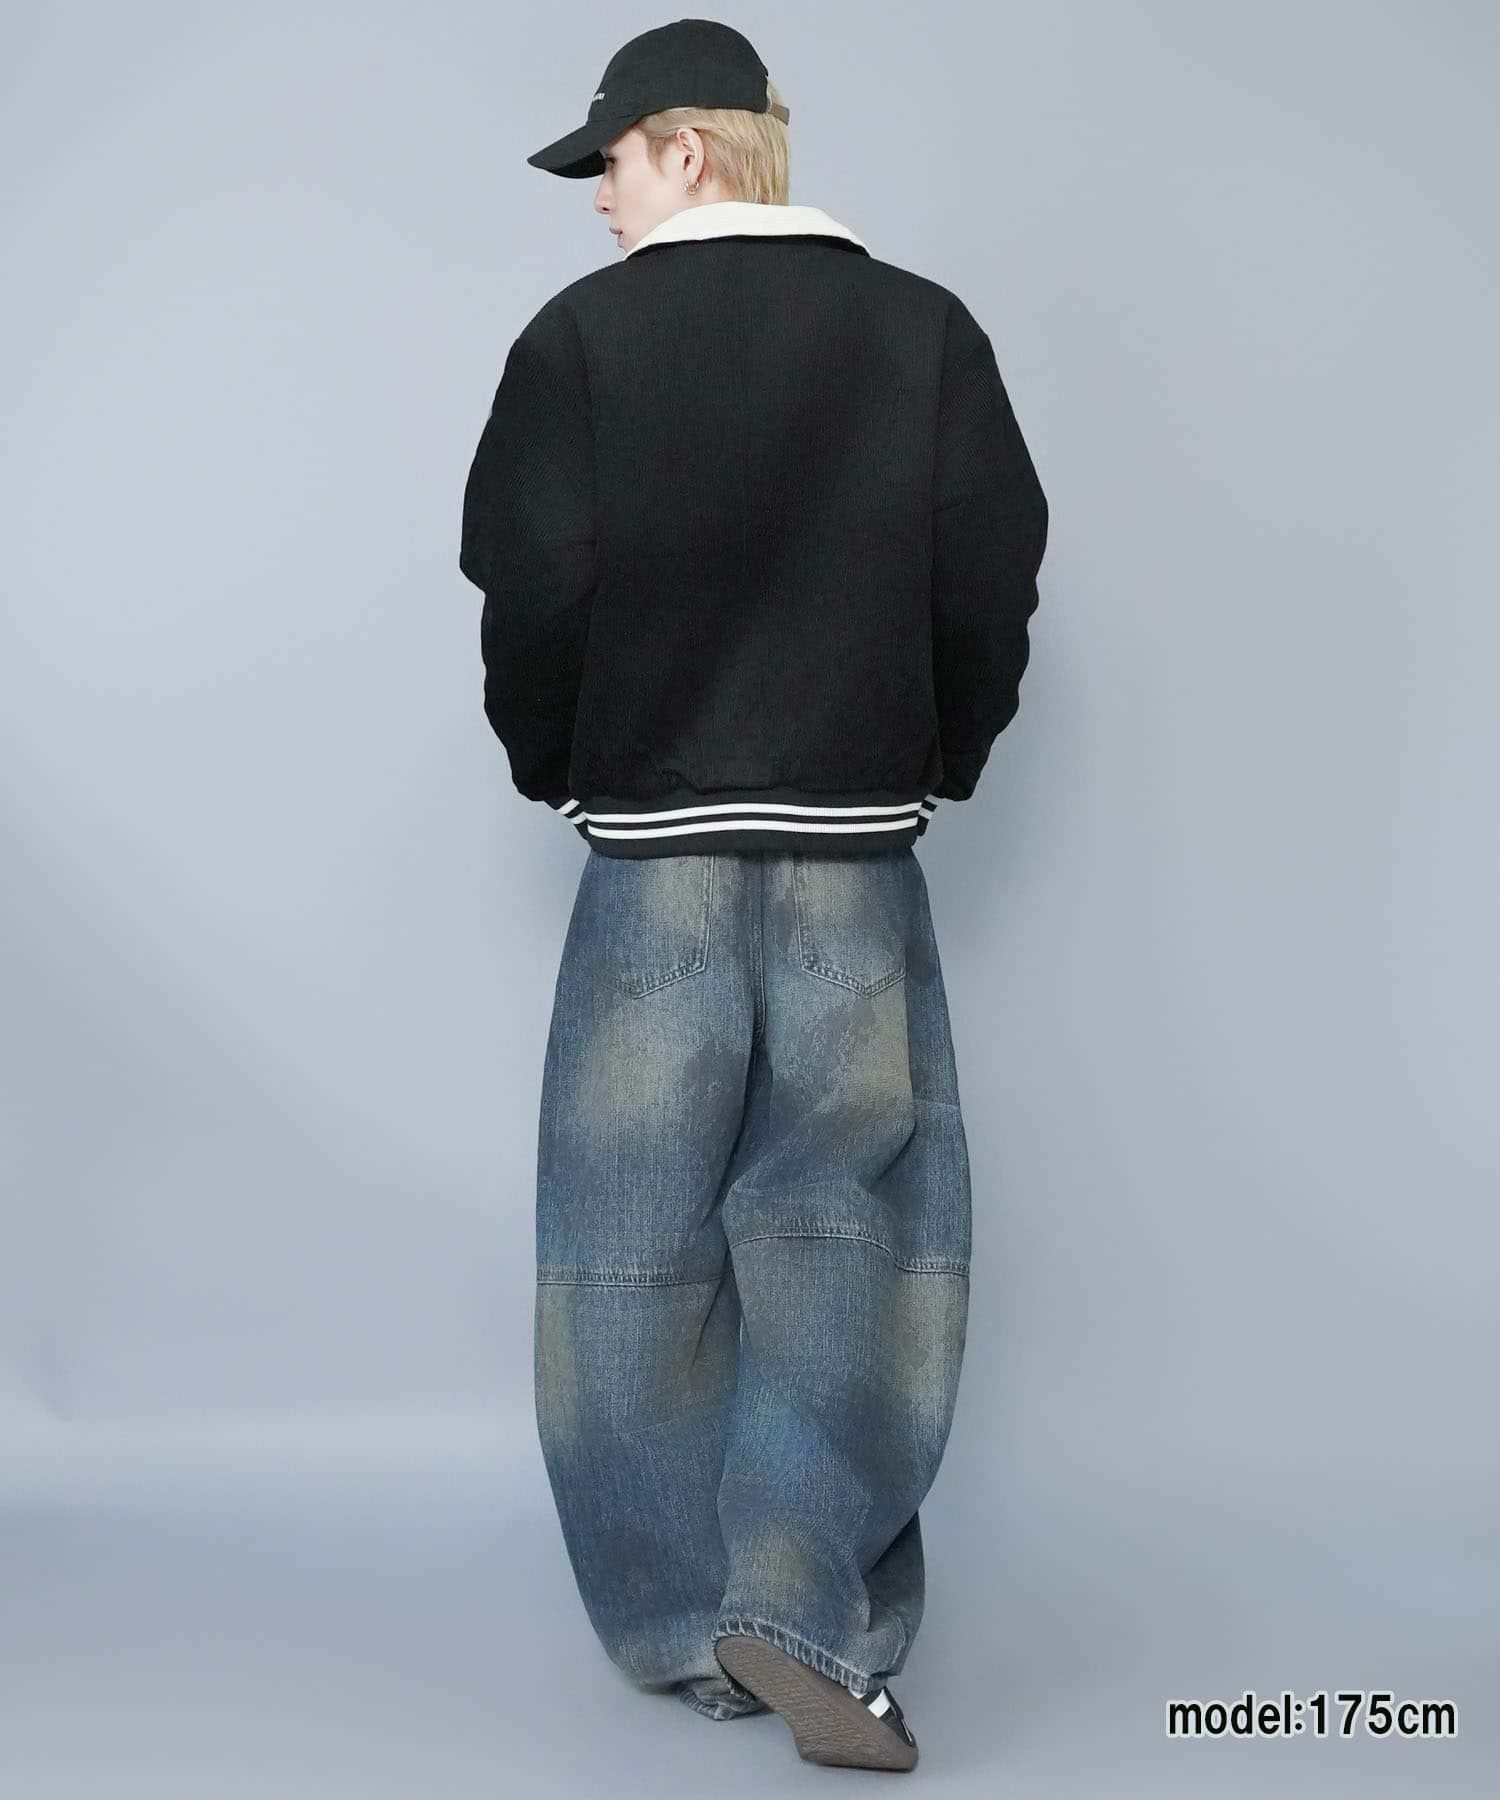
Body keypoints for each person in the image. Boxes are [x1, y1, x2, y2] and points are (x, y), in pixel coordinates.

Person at [459, 18, 1049, 1774]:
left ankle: (678, 1627)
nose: (600, 202)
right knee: (848, 1232)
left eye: (611, 165)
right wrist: (937, 759)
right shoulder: (923, 332)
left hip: (651, 854)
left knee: (628, 1248)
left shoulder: (580, 342)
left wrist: (559, 766)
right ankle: (800, 1609)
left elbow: (530, 583)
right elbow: (992, 572)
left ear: (690, 147)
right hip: (855, 857)